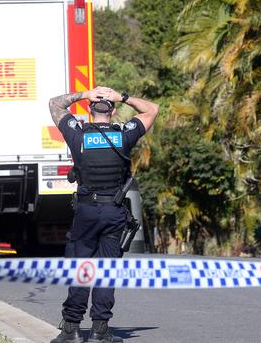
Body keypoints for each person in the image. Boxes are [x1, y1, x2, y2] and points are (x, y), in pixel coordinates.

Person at [48, 86, 158, 343]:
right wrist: (122, 96)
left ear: (89, 110)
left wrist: (85, 94)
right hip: (114, 211)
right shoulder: (124, 134)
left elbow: (55, 104)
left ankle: (71, 329)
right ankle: (100, 330)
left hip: (86, 211)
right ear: (114, 112)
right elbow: (152, 109)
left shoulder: (78, 133)